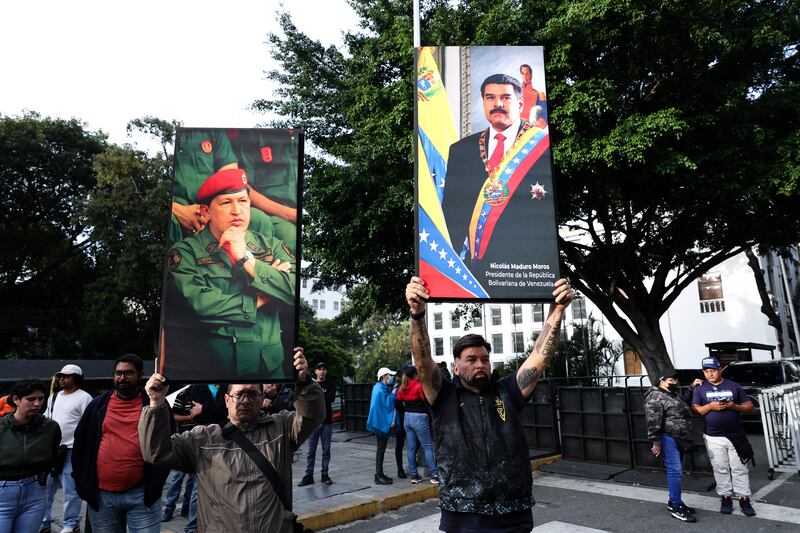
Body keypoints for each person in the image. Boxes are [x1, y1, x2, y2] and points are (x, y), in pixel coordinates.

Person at [406, 275, 573, 532]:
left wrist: (558, 310)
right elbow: (422, 361)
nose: (480, 364)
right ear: (456, 367)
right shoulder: (444, 397)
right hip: (463, 514)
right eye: (471, 359)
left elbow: (540, 357)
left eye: (484, 358)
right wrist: (417, 315)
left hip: (514, 512)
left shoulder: (508, 391)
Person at [139, 347, 325, 533]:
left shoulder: (282, 428)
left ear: (262, 400)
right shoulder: (202, 439)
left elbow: (313, 416)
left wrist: (305, 382)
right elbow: (157, 452)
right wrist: (156, 403)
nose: (245, 400)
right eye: (239, 395)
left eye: (252, 394)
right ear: (227, 400)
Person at [165, 167, 296, 380]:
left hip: (270, 372)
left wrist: (246, 258)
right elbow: (202, 306)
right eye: (226, 203)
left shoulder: (272, 246)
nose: (237, 211)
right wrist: (266, 294)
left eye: (243, 201)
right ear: (206, 212)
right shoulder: (185, 253)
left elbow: (295, 289)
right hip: (215, 374)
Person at [440, 74, 557, 298]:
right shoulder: (461, 150)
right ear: (483, 102)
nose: (498, 104)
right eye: (490, 97)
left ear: (521, 104)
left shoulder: (542, 146)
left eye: (506, 97)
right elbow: (452, 217)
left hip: (527, 270)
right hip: (476, 269)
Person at [72, 354, 170, 533]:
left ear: (140, 375)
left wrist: (157, 481)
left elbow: (167, 441)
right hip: (102, 497)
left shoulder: (155, 403)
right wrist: (81, 481)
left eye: (128, 373)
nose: (122, 378)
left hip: (142, 495)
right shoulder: (97, 405)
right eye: (118, 373)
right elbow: (80, 442)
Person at [169, 129, 274, 246]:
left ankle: (262, 260)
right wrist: (176, 209)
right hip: (176, 205)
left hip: (213, 202)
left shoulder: (212, 131)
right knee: (171, 222)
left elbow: (231, 179)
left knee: (259, 220)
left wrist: (212, 211)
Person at [691, 356, 757, 517]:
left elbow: (750, 407)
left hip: (736, 435)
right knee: (720, 467)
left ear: (720, 370)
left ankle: (744, 498)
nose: (710, 374)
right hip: (713, 437)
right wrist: (711, 406)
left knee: (739, 468)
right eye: (706, 371)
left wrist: (734, 406)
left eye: (713, 370)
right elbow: (696, 410)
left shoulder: (733, 386)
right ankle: (726, 497)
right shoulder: (700, 388)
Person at [0, 380, 61, 533]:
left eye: (41, 399)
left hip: (35, 493)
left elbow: (53, 454)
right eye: (31, 399)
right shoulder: (2, 428)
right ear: (16, 400)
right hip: (3, 490)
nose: (37, 403)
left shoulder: (50, 427)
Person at [41, 364, 92, 533]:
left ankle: (71, 523)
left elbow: (89, 425)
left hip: (72, 450)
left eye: (66, 376)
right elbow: (47, 420)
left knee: (70, 490)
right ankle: (45, 520)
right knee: (46, 488)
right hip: (52, 450)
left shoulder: (84, 398)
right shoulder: (53, 397)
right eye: (60, 376)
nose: (62, 379)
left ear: (76, 378)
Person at [645, 370, 696, 522]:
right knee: (675, 471)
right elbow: (653, 420)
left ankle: (673, 501)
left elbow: (682, 405)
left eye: (675, 379)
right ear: (661, 381)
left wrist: (692, 388)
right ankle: (676, 506)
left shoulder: (672, 395)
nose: (675, 382)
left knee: (676, 470)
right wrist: (655, 441)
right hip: (667, 438)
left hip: (680, 437)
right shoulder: (655, 396)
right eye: (671, 380)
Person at [396, 365, 438, 485]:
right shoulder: (419, 386)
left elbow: (398, 404)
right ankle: (434, 475)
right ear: (415, 374)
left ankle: (414, 476)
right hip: (419, 418)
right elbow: (427, 402)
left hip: (407, 418)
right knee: (427, 447)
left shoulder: (402, 388)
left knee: (411, 448)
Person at [299, 362, 337, 486]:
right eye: (319, 369)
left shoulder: (330, 384)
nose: (321, 371)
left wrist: (317, 396)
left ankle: (324, 474)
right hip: (313, 423)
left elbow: (330, 398)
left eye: (324, 369)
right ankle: (308, 475)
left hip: (326, 422)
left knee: (326, 450)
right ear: (315, 372)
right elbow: (306, 400)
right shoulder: (311, 384)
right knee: (311, 450)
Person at [161, 386, 195, 523]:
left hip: (197, 443)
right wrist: (190, 416)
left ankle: (186, 510)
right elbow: (174, 416)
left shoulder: (204, 394)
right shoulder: (184, 395)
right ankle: (168, 509)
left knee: (193, 479)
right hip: (183, 443)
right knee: (177, 477)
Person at [366, 367, 397, 486]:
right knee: (380, 450)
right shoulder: (381, 389)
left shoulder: (379, 387)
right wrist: (394, 394)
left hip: (378, 422)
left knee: (381, 449)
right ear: (384, 376)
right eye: (389, 375)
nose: (391, 377)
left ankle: (380, 473)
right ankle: (378, 475)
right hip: (380, 423)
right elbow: (389, 402)